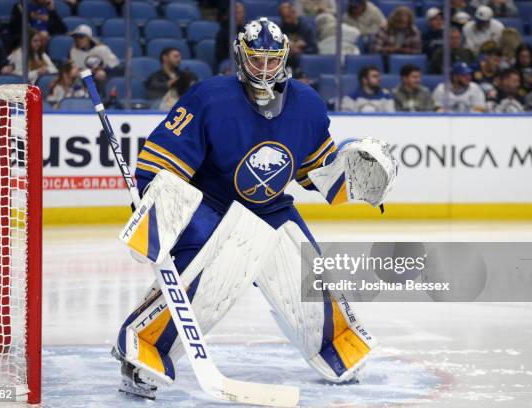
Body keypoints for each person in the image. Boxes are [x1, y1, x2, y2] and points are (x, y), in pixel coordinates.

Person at [113, 17, 393, 400]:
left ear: (284, 59)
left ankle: (334, 343)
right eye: (256, 59)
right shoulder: (209, 98)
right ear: (241, 57)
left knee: (310, 280)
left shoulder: (307, 104)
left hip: (273, 210)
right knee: (209, 285)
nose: (264, 69)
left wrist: (351, 176)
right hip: (213, 210)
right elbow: (163, 164)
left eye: (271, 60)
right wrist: (155, 207)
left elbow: (315, 170)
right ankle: (144, 349)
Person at [278, 1, 318, 69]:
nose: (286, 20)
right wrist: (288, 49)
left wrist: (301, 51)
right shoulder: (280, 30)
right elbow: (277, 49)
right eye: (284, 18)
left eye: (288, 17)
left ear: (294, 13)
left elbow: (314, 49)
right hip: (287, 64)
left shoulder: (306, 28)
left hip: (304, 63)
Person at [215, 1, 244, 65]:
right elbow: (220, 57)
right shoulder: (222, 34)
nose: (242, 15)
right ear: (230, 15)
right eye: (238, 13)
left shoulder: (247, 31)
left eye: (242, 12)